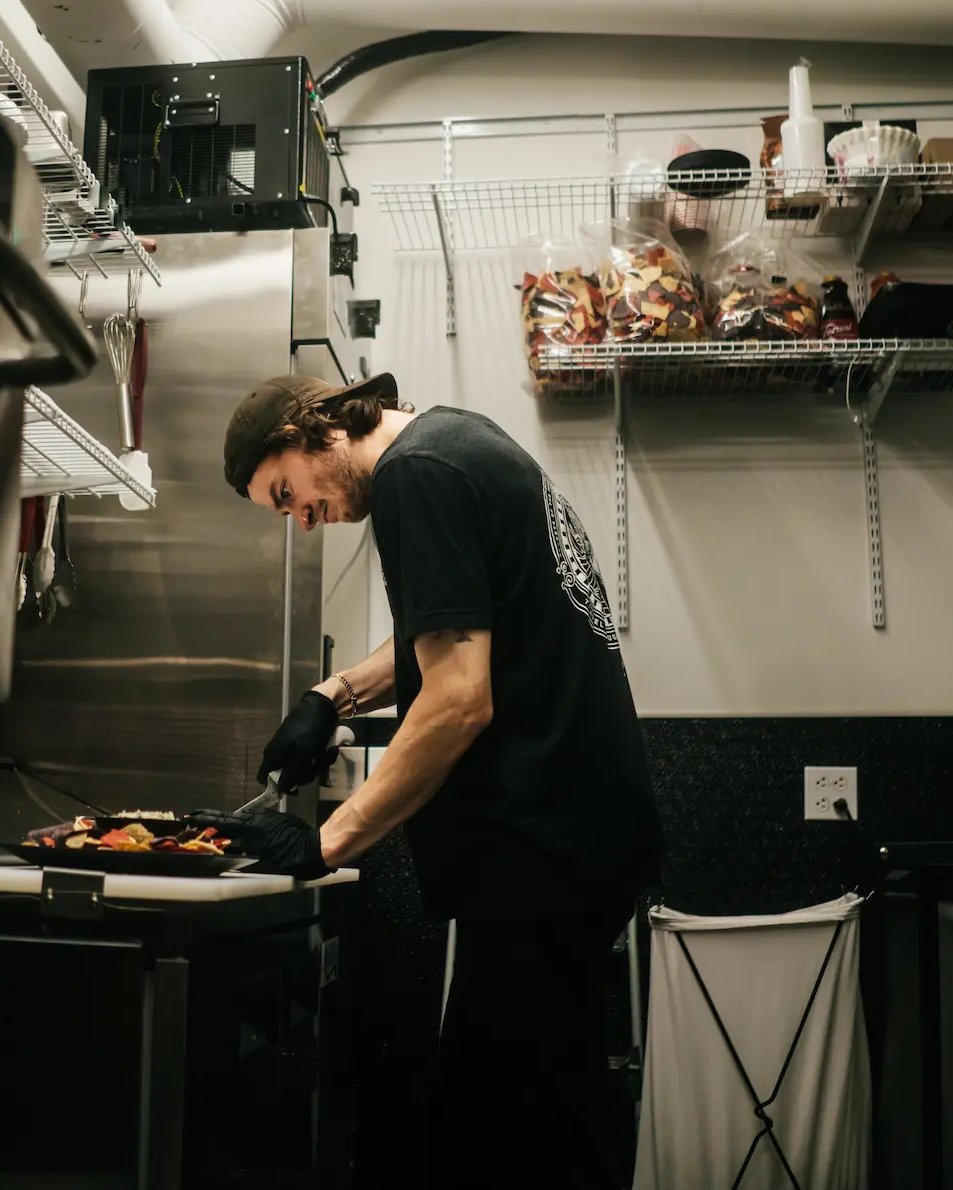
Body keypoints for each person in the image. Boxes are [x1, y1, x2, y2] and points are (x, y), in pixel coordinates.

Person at [211, 371, 662, 1186]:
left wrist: (325, 845)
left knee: (512, 1132)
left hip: (543, 848)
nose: (301, 521)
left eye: (286, 494)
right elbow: (459, 624)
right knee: (514, 1111)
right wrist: (334, 693)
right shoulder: (453, 441)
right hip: (574, 841)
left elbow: (457, 699)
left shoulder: (415, 477)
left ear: (310, 430)